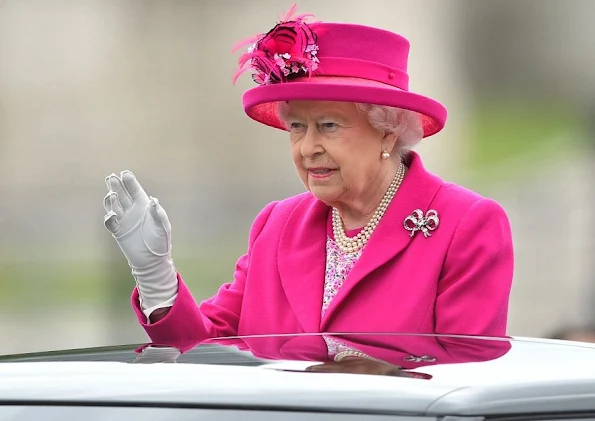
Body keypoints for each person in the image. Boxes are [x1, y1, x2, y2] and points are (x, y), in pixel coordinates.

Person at [103, 5, 514, 358]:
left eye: (329, 126)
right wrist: (155, 275)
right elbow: (204, 351)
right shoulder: (276, 225)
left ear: (387, 130)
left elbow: (467, 376)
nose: (307, 148)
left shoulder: (466, 225)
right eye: (297, 127)